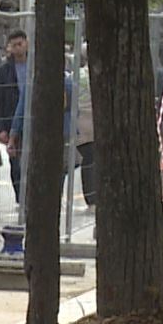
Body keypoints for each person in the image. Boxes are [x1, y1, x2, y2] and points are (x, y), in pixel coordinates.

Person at [0, 30, 30, 202]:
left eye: (20, 44)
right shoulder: (3, 71)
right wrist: (0, 128)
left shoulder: (36, 66)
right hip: (11, 120)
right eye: (13, 45)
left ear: (26, 43)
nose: (17, 48)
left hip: (33, 120)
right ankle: (20, 198)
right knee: (15, 163)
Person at [72, 45, 96, 208]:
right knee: (92, 160)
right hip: (94, 122)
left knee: (88, 159)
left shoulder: (76, 76)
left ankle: (91, 197)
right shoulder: (100, 76)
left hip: (80, 121)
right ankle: (94, 196)